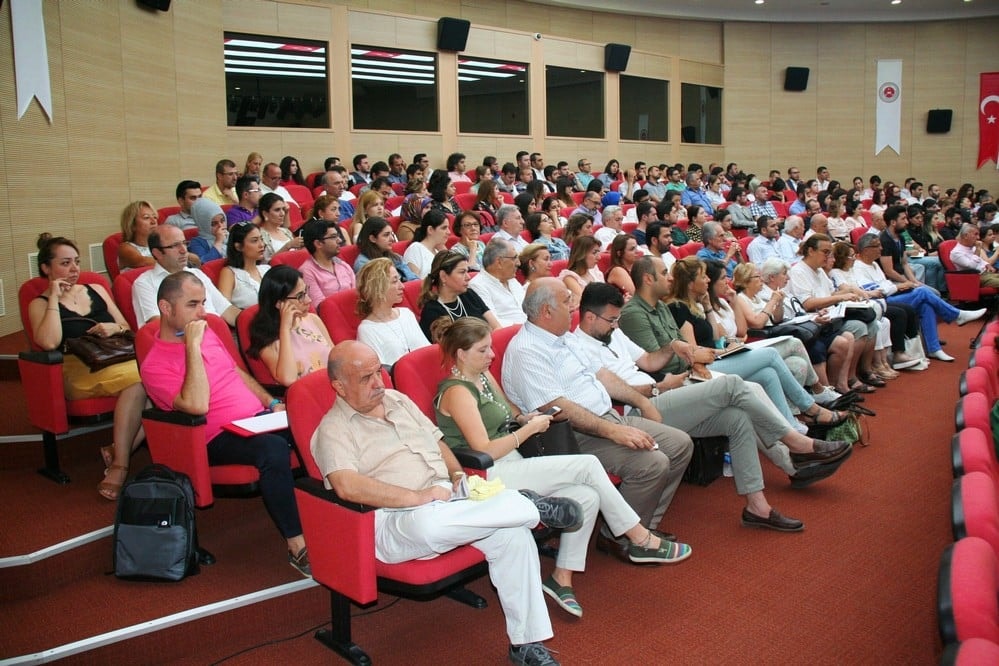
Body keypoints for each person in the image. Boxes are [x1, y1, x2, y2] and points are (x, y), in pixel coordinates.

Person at [314, 340, 580, 666]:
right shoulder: (333, 429)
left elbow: (437, 443)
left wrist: (455, 473)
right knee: (430, 523)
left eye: (378, 372)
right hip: (395, 518)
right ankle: (527, 506)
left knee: (514, 535)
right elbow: (345, 485)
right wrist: (418, 497)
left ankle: (525, 644)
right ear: (339, 387)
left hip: (450, 500)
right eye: (365, 378)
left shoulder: (397, 400)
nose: (378, 383)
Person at [435, 318, 690, 616]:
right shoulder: (457, 392)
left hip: (513, 460)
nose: (492, 355)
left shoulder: (483, 376)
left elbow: (510, 413)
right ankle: (640, 537)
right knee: (588, 466)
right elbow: (485, 450)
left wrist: (526, 418)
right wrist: (528, 431)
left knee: (586, 495)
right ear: (461, 354)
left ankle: (561, 578)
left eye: (491, 347)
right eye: (483, 350)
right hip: (488, 475)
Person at [574, 283, 852, 508]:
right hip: (641, 409)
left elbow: (648, 361)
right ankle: (797, 444)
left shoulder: (612, 333)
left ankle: (760, 501)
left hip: (664, 392)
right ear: (590, 317)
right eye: (611, 319)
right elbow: (612, 392)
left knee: (739, 414)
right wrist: (661, 387)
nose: (615, 324)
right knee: (732, 384)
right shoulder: (579, 349)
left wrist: (672, 347)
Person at [502, 278, 695, 544]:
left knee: (680, 444)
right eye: (566, 300)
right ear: (547, 311)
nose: (573, 306)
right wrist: (614, 431)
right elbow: (557, 409)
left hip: (606, 418)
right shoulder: (526, 351)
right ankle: (624, 538)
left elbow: (603, 375)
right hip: (571, 435)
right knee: (653, 463)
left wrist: (643, 402)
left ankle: (641, 525)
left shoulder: (564, 338)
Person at [142, 272, 310, 577]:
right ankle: (297, 544)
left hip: (255, 419)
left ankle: (338, 511)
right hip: (213, 438)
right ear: (166, 309)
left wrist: (271, 403)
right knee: (272, 450)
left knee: (311, 423)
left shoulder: (208, 333)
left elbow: (235, 372)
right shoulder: (155, 364)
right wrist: (191, 348)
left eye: (204, 303)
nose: (203, 312)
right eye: (192, 304)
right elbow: (196, 406)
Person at [621, 256, 846, 430]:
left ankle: (792, 427)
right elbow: (657, 360)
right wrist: (700, 356)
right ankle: (812, 407)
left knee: (767, 373)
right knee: (773, 354)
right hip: (684, 377)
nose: (669, 277)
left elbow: (688, 344)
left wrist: (706, 350)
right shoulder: (639, 312)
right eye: (663, 273)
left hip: (699, 365)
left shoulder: (661, 306)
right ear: (648, 279)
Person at [29, 234, 147, 501]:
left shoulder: (96, 288)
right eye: (65, 263)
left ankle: (118, 451)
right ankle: (120, 465)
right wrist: (52, 299)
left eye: (77, 262)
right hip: (77, 368)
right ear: (46, 269)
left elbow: (126, 327)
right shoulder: (38, 303)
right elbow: (48, 342)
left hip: (116, 357)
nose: (74, 269)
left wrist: (112, 327)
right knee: (146, 381)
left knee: (154, 381)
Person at [853, 234, 984, 362]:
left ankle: (934, 348)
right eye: (877, 246)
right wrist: (898, 287)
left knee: (925, 305)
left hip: (891, 295)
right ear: (866, 250)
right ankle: (957, 315)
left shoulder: (874, 265)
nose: (881, 248)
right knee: (922, 292)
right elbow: (874, 291)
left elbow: (885, 284)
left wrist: (900, 286)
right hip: (880, 302)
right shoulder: (858, 267)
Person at [731, 262, 842, 401]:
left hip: (772, 334)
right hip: (758, 340)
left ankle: (800, 406)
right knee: (796, 342)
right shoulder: (740, 298)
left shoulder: (756, 297)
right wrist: (772, 302)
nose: (761, 280)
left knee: (798, 364)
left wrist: (779, 303)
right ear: (747, 280)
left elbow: (777, 319)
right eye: (757, 277)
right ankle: (818, 389)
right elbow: (757, 323)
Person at [132, 226, 240, 326]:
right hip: (185, 342)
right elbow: (159, 326)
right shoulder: (145, 283)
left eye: (184, 243)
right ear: (157, 253)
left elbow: (227, 310)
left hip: (217, 334)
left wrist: (250, 322)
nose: (184, 250)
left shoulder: (197, 274)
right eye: (175, 245)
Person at [247, 265, 333, 386]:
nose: (308, 300)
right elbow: (289, 379)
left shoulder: (313, 319)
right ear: (279, 303)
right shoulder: (267, 339)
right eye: (300, 296)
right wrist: (285, 328)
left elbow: (336, 359)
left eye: (306, 292)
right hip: (309, 396)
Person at [354, 258, 430, 366]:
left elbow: (428, 350)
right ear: (378, 288)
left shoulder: (406, 314)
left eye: (400, 280)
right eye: (395, 281)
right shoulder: (367, 330)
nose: (402, 286)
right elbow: (382, 371)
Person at [419, 251, 501, 340]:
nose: (468, 277)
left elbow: (496, 326)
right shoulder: (432, 311)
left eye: (467, 271)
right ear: (443, 276)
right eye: (462, 272)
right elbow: (448, 348)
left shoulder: (469, 294)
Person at [469, 238, 528, 327]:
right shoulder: (477, 286)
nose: (518, 263)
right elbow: (494, 324)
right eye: (514, 258)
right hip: (511, 336)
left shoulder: (512, 280)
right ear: (499, 262)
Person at [218, 222, 270, 309]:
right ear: (238, 247)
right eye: (254, 241)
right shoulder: (230, 273)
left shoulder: (266, 269)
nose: (262, 245)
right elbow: (224, 307)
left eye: (261, 239)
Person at [353, 217, 418, 281]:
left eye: (392, 234)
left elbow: (413, 279)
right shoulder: (363, 264)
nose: (392, 239)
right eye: (386, 235)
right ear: (372, 238)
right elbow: (380, 288)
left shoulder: (395, 257)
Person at [403, 209, 450, 279]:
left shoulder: (438, 252)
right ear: (430, 230)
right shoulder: (415, 249)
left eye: (448, 228)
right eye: (444, 228)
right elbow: (414, 281)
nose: (449, 232)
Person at [257, 193, 303, 262]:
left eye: (283, 209)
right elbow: (265, 264)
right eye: (277, 210)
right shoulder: (259, 235)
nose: (282, 214)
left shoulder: (286, 231)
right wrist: (288, 246)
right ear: (265, 214)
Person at [950, 223, 999, 288]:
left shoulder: (972, 247)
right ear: (966, 236)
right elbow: (972, 266)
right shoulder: (956, 253)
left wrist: (987, 264)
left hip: (987, 273)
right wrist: (978, 249)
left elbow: (981, 260)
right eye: (975, 234)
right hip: (976, 278)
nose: (978, 238)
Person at [559, 235, 604, 303]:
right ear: (581, 254)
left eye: (598, 252)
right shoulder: (569, 277)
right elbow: (586, 302)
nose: (599, 257)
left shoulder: (595, 271)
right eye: (594, 253)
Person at [118, 200, 158, 272]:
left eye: (155, 217)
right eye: (146, 217)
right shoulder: (124, 248)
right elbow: (142, 262)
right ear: (132, 225)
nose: (153, 221)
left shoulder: (160, 244)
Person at [187, 198, 227, 264]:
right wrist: (218, 242)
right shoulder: (197, 243)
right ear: (203, 224)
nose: (220, 225)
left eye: (222, 220)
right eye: (214, 223)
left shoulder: (232, 235)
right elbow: (204, 263)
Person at [605, 233, 639, 298]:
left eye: (636, 248)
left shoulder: (636, 268)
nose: (637, 251)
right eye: (632, 249)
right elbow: (636, 295)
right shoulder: (617, 270)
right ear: (619, 253)